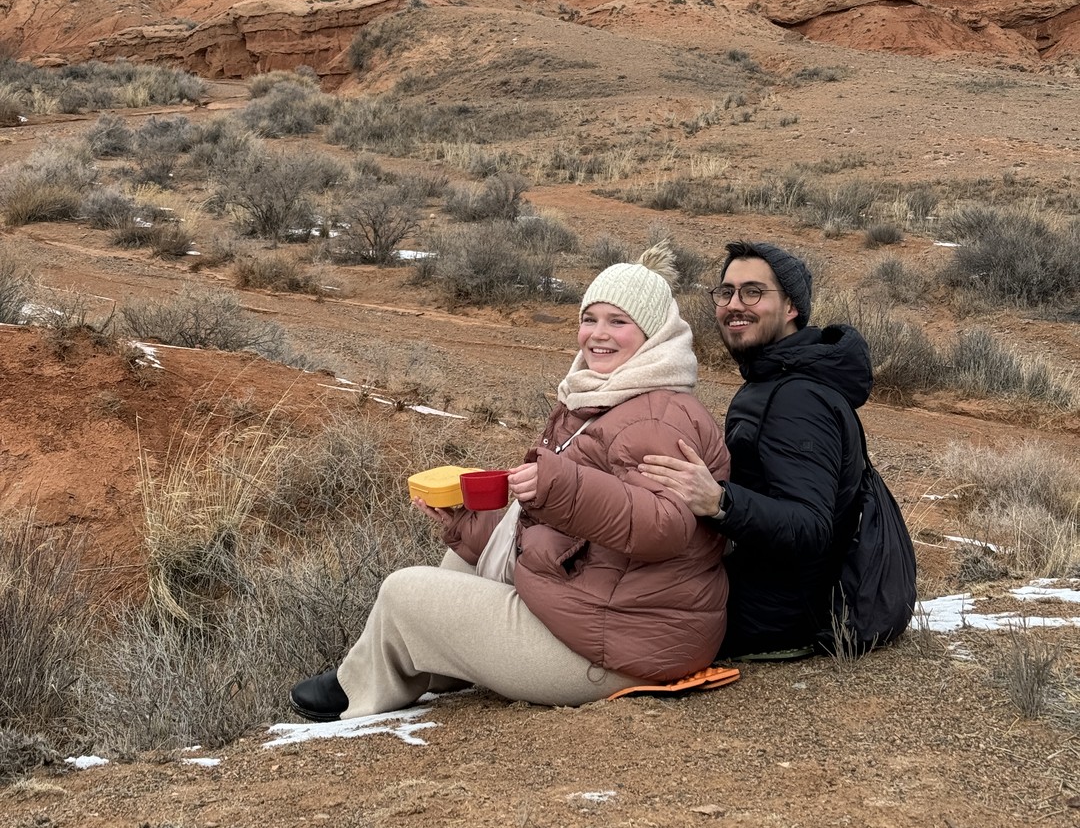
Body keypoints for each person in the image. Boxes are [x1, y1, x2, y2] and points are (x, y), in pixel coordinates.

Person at [290, 246, 730, 721]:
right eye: (590, 318)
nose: (598, 335)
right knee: (460, 557)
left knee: (404, 591)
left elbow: (664, 528)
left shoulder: (657, 416)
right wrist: (466, 525)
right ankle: (432, 667)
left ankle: (360, 691)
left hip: (621, 649)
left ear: (653, 334)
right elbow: (571, 540)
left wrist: (559, 487)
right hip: (603, 614)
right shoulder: (604, 399)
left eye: (618, 322)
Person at [641, 240, 872, 659]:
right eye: (726, 292)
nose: (734, 304)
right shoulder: (775, 379)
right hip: (767, 594)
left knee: (608, 613)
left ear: (791, 309)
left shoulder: (797, 398)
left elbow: (811, 527)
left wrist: (719, 502)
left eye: (753, 292)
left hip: (772, 614)